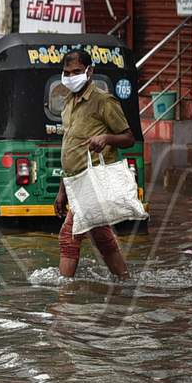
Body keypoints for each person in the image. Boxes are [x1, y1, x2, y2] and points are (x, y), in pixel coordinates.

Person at [52, 47, 134, 280]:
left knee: (69, 236)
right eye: (67, 72)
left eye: (76, 71)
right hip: (74, 182)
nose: (70, 77)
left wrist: (106, 138)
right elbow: (69, 149)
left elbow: (129, 138)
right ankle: (124, 281)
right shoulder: (68, 102)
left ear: (90, 72)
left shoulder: (103, 101)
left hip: (94, 180)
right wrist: (62, 191)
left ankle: (65, 294)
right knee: (101, 236)